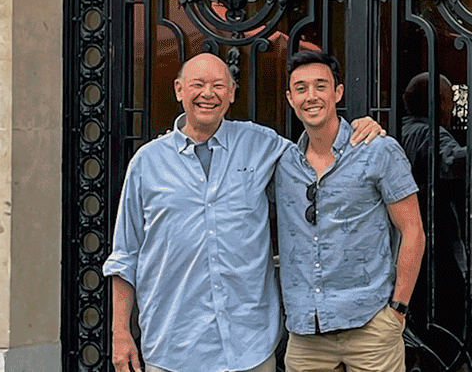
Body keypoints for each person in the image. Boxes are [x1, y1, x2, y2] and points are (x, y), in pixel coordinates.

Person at [103, 52, 383, 372]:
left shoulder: (260, 143)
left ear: (232, 93)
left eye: (219, 85)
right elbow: (125, 255)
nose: (208, 93)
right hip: (173, 347)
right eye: (198, 84)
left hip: (250, 346)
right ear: (179, 90)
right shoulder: (147, 162)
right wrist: (120, 333)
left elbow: (318, 161)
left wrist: (357, 132)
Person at [273, 50, 425, 372]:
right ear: (289, 98)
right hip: (306, 335)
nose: (310, 96)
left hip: (370, 328)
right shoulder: (280, 162)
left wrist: (397, 309)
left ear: (338, 92)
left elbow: (413, 231)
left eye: (320, 86)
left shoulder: (377, 150)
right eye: (300, 88)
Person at [398, 73, 467, 337]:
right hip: (434, 245)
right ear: (439, 103)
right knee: (444, 331)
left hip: (400, 247)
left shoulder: (397, 130)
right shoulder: (430, 133)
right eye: (450, 101)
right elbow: (455, 163)